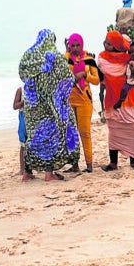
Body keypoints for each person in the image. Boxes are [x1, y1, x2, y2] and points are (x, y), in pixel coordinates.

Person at [19, 30, 82, 180]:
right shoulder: (56, 57)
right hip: (48, 106)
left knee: (32, 136)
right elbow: (67, 78)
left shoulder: (27, 57)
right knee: (50, 136)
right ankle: (49, 173)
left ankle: (27, 173)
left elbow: (22, 76)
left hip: (31, 105)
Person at [99, 31, 134, 170]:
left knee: (133, 129)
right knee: (114, 132)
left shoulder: (129, 59)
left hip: (131, 102)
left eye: (109, 43)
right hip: (112, 102)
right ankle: (113, 163)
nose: (106, 45)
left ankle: (133, 161)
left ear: (116, 44)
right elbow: (100, 76)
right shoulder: (102, 59)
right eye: (105, 42)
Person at [64, 33, 100, 172]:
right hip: (69, 99)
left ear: (82, 44)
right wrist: (67, 52)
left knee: (84, 132)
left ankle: (89, 164)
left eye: (77, 45)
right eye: (72, 45)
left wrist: (85, 75)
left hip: (84, 98)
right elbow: (61, 72)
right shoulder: (67, 59)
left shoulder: (89, 59)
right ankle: (74, 164)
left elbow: (97, 80)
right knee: (71, 133)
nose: (75, 48)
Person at [13, 86, 30, 178]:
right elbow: (15, 106)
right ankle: (22, 168)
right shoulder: (21, 90)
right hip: (24, 117)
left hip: (35, 117)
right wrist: (24, 102)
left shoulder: (38, 86)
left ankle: (35, 167)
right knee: (23, 144)